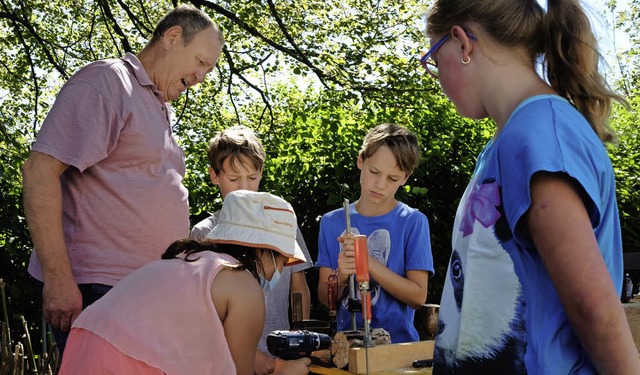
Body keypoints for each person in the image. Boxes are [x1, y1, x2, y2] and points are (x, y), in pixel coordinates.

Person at [422, 0, 640, 373]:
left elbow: (595, 310)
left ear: (462, 43)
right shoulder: (508, 141)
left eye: (432, 57)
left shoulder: (540, 133)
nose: (436, 76)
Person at [21, 4, 223, 355]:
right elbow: (40, 172)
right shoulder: (108, 81)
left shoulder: (157, 103)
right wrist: (57, 278)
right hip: (98, 290)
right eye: (201, 62)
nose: (202, 76)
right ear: (173, 37)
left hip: (141, 290)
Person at [57, 190, 311, 375]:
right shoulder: (244, 285)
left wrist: (273, 365)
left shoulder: (191, 263)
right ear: (266, 251)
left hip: (82, 347)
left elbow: (230, 351)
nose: (282, 269)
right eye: (284, 258)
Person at [190, 125, 314, 375]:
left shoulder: (281, 221)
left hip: (284, 355)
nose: (244, 188)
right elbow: (206, 319)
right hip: (234, 360)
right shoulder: (205, 233)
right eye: (234, 179)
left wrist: (301, 341)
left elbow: (298, 286)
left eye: (252, 177)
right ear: (214, 176)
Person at [316, 123, 434, 343]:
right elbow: (324, 297)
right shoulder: (332, 222)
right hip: (346, 350)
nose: (380, 184)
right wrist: (341, 275)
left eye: (392, 179)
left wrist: (367, 262)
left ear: (406, 178)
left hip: (400, 352)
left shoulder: (413, 222)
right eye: (374, 172)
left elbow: (418, 297)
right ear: (361, 161)